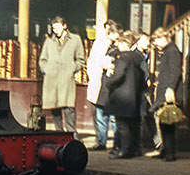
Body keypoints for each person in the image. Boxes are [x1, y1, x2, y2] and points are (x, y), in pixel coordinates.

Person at [101, 31, 146, 159]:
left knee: (122, 124)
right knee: (133, 124)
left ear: (124, 44)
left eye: (119, 43)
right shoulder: (137, 58)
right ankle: (135, 148)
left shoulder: (124, 58)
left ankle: (124, 150)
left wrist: (109, 80)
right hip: (134, 95)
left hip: (122, 96)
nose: (118, 46)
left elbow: (118, 76)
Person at [39, 15, 86, 135]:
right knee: (55, 110)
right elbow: (42, 59)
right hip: (51, 79)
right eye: (54, 28)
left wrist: (72, 69)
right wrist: (45, 70)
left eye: (58, 28)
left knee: (69, 108)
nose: (56, 31)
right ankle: (59, 135)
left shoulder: (75, 39)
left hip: (66, 79)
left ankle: (72, 135)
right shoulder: (49, 41)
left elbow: (81, 59)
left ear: (65, 26)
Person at [147, 30, 184, 158]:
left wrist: (170, 88)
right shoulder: (169, 51)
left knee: (167, 123)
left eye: (156, 40)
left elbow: (175, 71)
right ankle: (166, 150)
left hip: (169, 92)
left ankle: (169, 153)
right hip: (167, 90)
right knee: (164, 122)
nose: (155, 44)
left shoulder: (171, 51)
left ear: (163, 37)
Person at [85, 20, 120, 150]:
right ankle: (101, 141)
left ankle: (117, 142)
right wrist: (92, 75)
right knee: (100, 115)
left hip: (112, 84)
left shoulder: (118, 46)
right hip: (99, 82)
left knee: (113, 117)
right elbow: (95, 61)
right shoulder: (99, 44)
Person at [155, 87, 185, 162]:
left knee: (167, 129)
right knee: (167, 129)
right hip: (168, 99)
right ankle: (167, 151)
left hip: (168, 101)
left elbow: (169, 82)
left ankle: (169, 153)